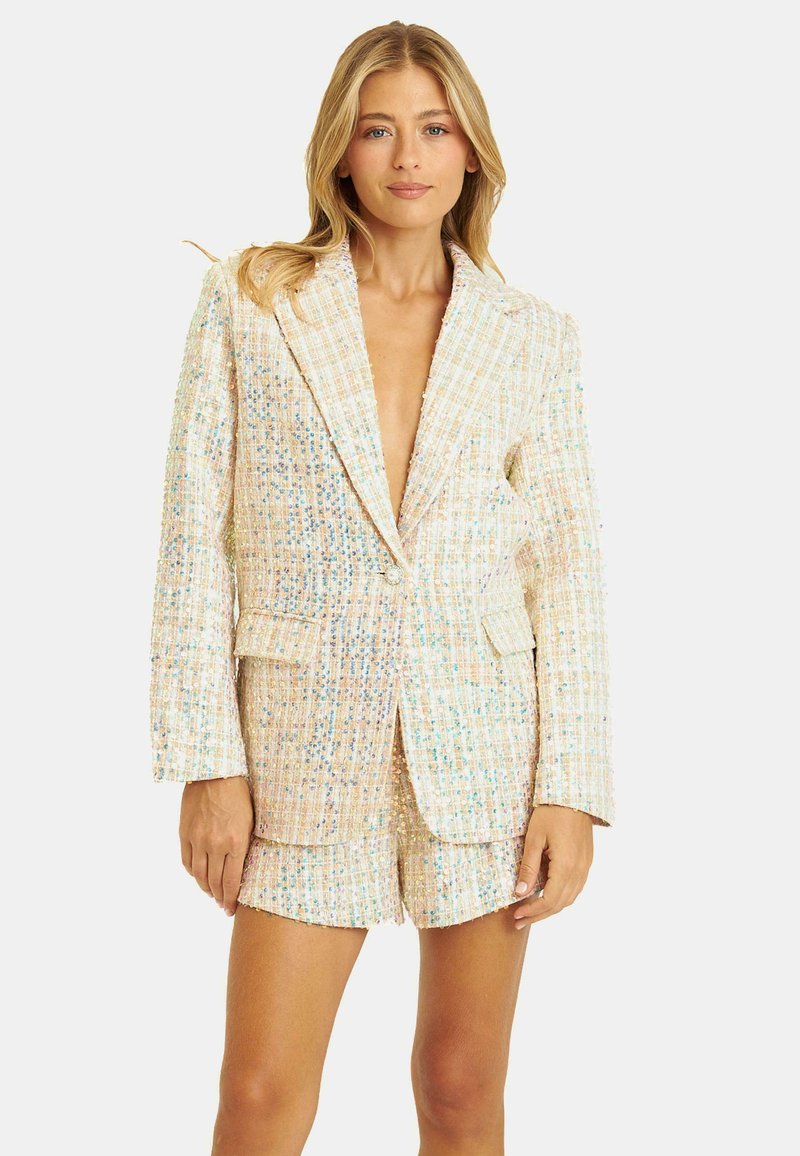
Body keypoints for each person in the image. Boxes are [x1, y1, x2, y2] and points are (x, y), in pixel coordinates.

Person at [149, 19, 615, 1155]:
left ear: (471, 151)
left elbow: (566, 569)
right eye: (377, 129)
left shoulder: (531, 337)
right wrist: (208, 760)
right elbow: (193, 539)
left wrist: (571, 786)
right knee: (260, 1095)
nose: (408, 156)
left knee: (459, 1089)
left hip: (485, 751)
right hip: (300, 751)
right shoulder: (255, 302)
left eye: (434, 128)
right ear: (340, 151)